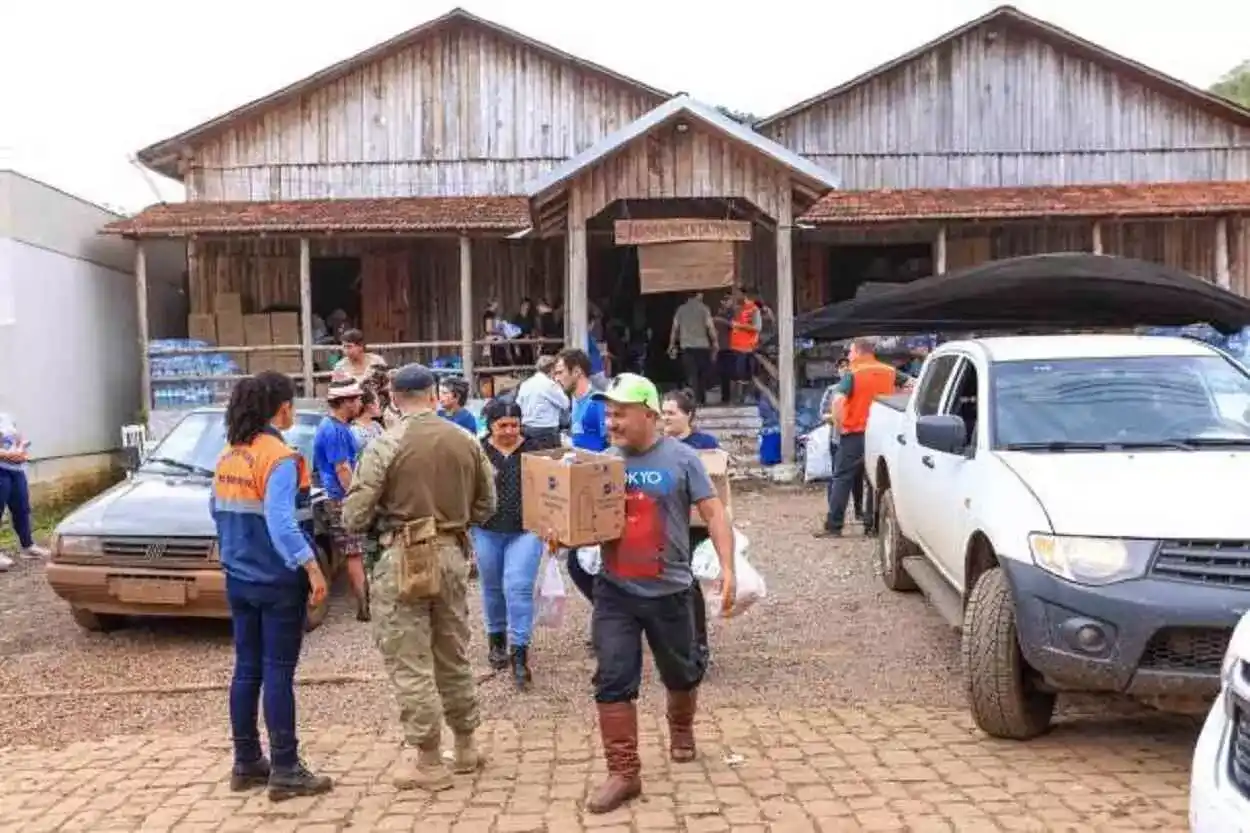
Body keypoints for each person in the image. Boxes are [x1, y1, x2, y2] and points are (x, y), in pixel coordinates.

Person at [578, 373, 735, 815]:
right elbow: (583, 522)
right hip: (615, 590)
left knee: (682, 672)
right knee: (612, 677)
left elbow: (713, 513)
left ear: (648, 414)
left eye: (619, 413)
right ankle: (624, 772)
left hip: (670, 591)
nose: (611, 421)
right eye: (607, 413)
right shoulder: (603, 462)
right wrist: (560, 536)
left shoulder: (683, 459)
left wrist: (728, 569)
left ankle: (681, 727)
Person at [342, 364, 497, 792]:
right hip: (452, 552)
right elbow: (488, 505)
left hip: (402, 555)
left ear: (393, 398)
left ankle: (428, 760)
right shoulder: (466, 440)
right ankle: (466, 746)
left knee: (410, 658)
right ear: (433, 395)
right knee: (453, 650)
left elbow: (354, 515)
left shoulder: (385, 444)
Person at [210, 371, 333, 802]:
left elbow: (217, 512)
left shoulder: (228, 454)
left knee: (247, 669)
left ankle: (246, 762)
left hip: (239, 579)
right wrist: (313, 570)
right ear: (282, 408)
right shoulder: (280, 457)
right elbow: (282, 524)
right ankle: (285, 767)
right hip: (278, 580)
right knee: (278, 671)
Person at [470, 399, 545, 690]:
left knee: (518, 586)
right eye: (503, 425)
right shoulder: (477, 450)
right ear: (490, 425)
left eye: (515, 424)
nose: (510, 430)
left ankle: (520, 652)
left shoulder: (536, 448)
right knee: (491, 586)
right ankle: (496, 639)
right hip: (487, 528)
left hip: (526, 529)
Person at [820, 338, 913, 538]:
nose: (849, 356)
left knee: (842, 478)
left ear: (859, 352)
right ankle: (872, 526)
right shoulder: (889, 371)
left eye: (851, 352)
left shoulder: (852, 373)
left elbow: (838, 399)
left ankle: (834, 525)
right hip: (882, 433)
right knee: (875, 479)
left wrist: (839, 423)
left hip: (855, 432)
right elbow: (913, 385)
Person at [661, 389, 719, 665]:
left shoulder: (705, 444)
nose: (666, 417)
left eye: (671, 412)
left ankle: (698, 645)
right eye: (663, 412)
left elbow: (718, 483)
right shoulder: (658, 445)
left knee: (692, 585)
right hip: (666, 524)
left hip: (696, 527)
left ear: (689, 416)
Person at [553, 348, 608, 603]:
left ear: (577, 372)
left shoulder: (597, 403)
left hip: (600, 490)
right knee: (578, 562)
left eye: (561, 372)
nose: (557, 377)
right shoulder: (575, 402)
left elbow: (611, 446)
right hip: (580, 490)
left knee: (587, 561)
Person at [313, 380, 371, 621]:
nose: (359, 403)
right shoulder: (335, 430)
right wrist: (356, 495)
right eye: (356, 399)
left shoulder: (335, 426)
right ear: (345, 402)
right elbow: (342, 469)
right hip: (340, 498)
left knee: (354, 550)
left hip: (338, 496)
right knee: (354, 551)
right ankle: (363, 606)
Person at [0, 412, 48, 571]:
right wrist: (8, 454)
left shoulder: (6, 416)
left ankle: (28, 546)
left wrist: (21, 449)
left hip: (16, 469)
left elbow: (17, 437)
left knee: (22, 507)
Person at [667, 292, 718, 405]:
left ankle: (693, 399)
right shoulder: (704, 308)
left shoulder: (681, 309)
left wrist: (671, 344)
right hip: (702, 346)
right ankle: (701, 399)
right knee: (701, 373)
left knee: (691, 374)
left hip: (687, 346)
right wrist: (715, 342)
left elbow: (675, 328)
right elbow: (710, 327)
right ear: (698, 295)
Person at [515, 354, 568, 450]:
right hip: (546, 431)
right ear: (552, 369)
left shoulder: (525, 384)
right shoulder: (550, 385)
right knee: (549, 462)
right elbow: (565, 404)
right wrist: (561, 386)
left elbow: (518, 405)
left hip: (526, 429)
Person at [727, 287, 762, 404]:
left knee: (744, 375)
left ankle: (745, 399)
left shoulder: (754, 310)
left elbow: (757, 327)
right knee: (736, 374)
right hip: (737, 347)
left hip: (747, 348)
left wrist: (739, 326)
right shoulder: (740, 309)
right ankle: (737, 399)